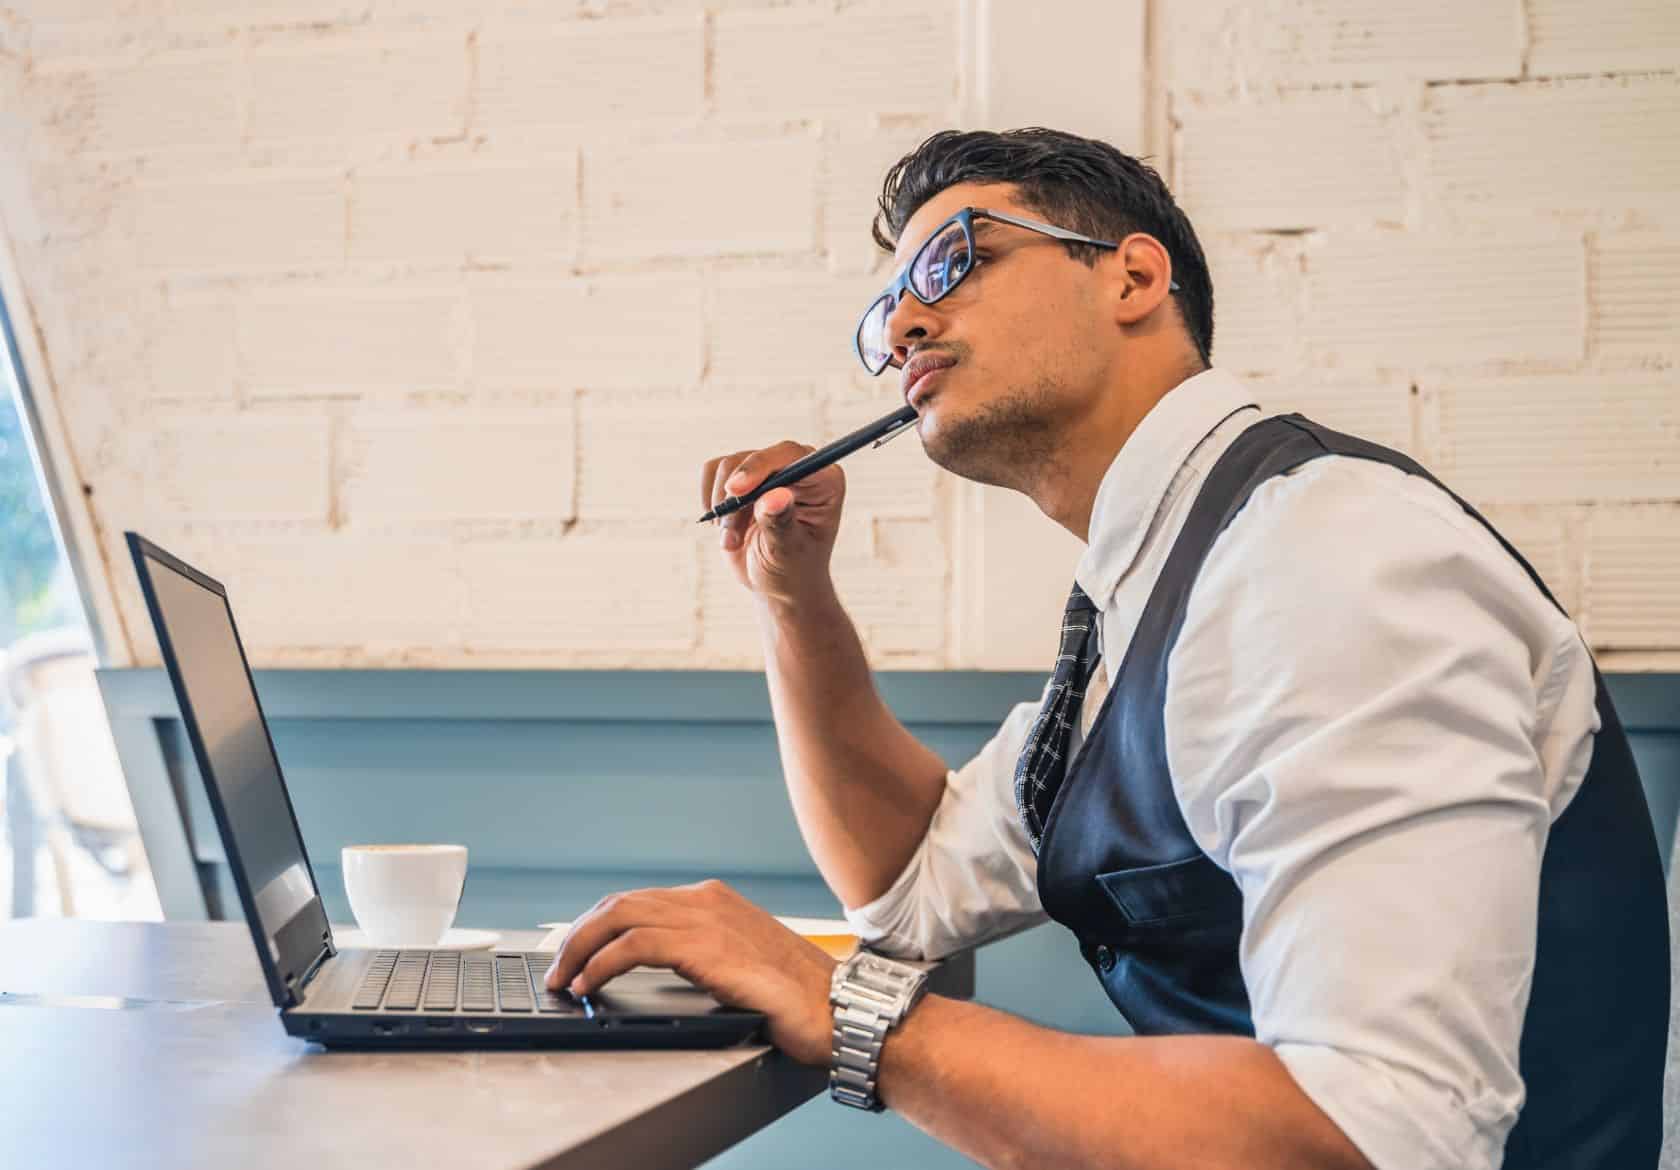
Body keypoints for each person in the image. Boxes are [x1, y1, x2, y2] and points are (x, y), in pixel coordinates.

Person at [545, 128, 1669, 1170]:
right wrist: (792, 601)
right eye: (884, 310)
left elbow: (1380, 1134)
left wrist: (845, 1010)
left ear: (1131, 278)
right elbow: (907, 883)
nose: (899, 331)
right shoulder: (1161, 582)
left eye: (948, 264)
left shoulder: (1327, 561)